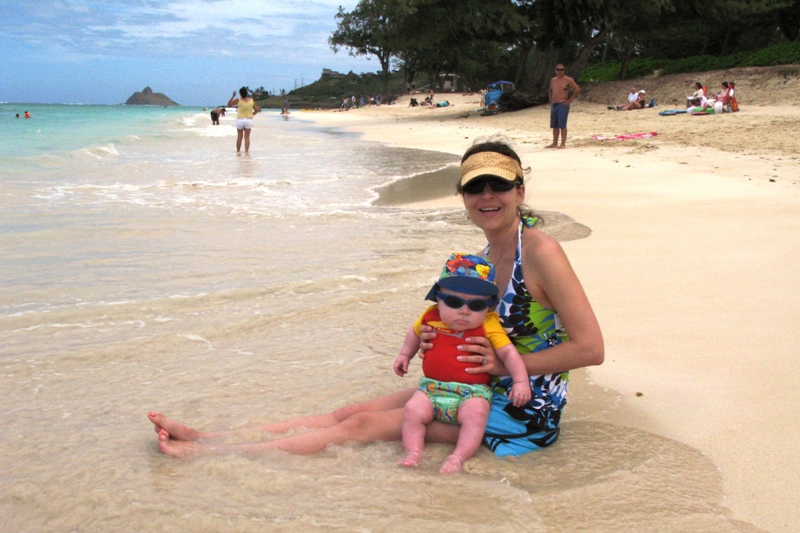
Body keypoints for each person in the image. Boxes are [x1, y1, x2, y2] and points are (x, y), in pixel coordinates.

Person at [148, 136, 604, 463]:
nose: (487, 196)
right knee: (351, 411)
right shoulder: (482, 261)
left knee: (362, 428)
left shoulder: (540, 251)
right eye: (474, 187)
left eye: (499, 186)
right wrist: (436, 338)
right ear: (462, 197)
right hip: (471, 389)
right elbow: (471, 327)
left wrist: (503, 366)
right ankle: (210, 437)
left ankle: (213, 456)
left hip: (521, 413)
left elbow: (591, 349)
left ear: (520, 192)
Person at [394, 253, 531, 473]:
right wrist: (404, 355)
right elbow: (414, 333)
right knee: (412, 411)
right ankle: (413, 453)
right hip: (431, 389)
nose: (464, 311)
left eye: (476, 305)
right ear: (438, 299)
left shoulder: (488, 325)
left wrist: (521, 382)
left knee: (476, 416)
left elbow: (509, 354)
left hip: (472, 393)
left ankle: (457, 457)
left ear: (489, 308)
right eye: (454, 302)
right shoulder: (430, 316)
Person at [547, 64, 581, 149]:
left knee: (562, 125)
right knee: (554, 125)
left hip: (562, 104)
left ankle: (563, 144)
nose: (560, 71)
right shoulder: (553, 80)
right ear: (555, 70)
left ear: (564, 70)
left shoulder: (568, 80)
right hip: (554, 104)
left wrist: (569, 101)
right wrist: (551, 101)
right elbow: (550, 90)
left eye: (561, 70)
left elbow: (577, 90)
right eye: (558, 70)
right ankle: (554, 143)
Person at [227, 87, 260, 153]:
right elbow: (257, 110)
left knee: (239, 137)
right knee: (247, 137)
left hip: (240, 120)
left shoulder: (238, 100)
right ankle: (246, 152)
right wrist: (251, 115)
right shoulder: (251, 100)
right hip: (248, 120)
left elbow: (229, 105)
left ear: (240, 94)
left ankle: (238, 151)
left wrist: (233, 96)